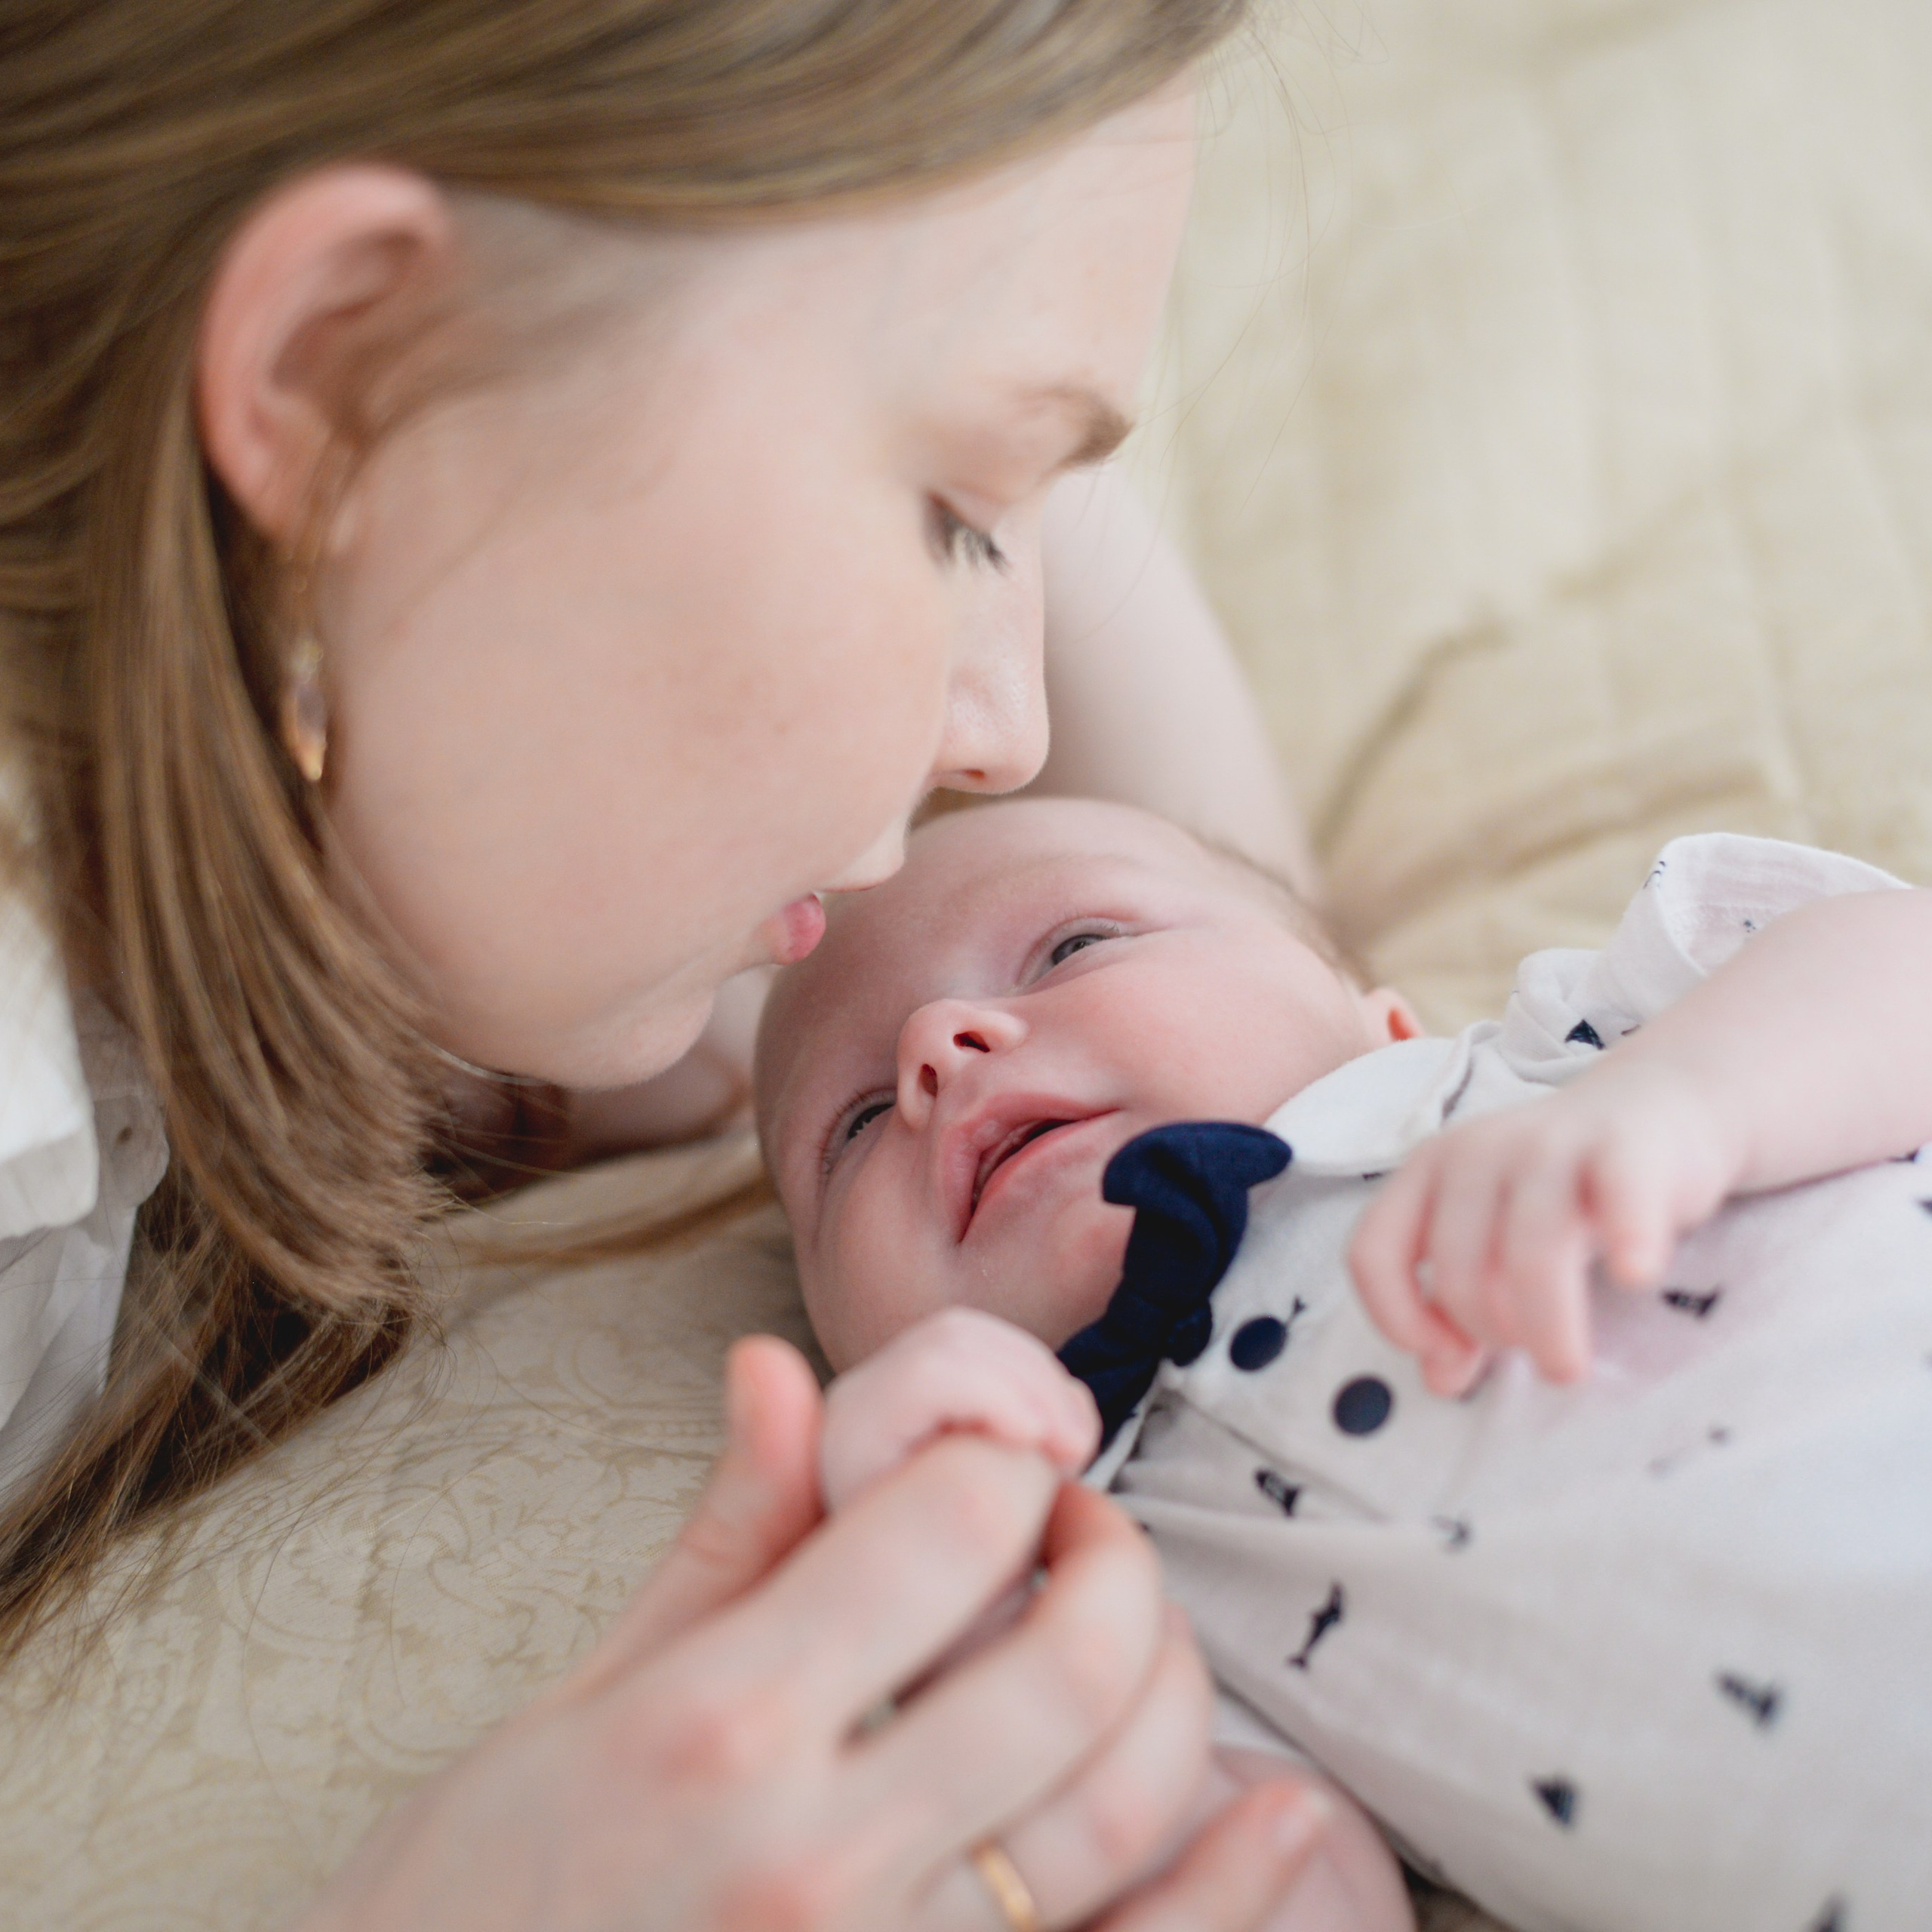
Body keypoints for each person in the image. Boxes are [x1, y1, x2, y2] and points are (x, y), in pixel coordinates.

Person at [0, 4, 1341, 1927]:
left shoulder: (368, 793)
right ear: (338, 375)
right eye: (951, 513)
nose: (1007, 733)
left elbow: (1277, 980)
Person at [754, 795, 1932, 1932]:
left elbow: (1895, 967)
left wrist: (1687, 1099)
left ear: (1385, 1027)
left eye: (1073, 945)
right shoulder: (1113, 1571)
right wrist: (970, 1612)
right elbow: (1290, 1887)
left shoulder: (1538, 1074)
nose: (935, 1048)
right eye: (852, 1129)